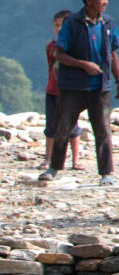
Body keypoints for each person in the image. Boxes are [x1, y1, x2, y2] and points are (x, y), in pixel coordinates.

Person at [39, 0, 118, 185]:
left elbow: (112, 53)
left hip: (100, 87)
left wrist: (118, 79)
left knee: (103, 130)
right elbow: (59, 54)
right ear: (89, 1)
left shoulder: (108, 22)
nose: (106, 1)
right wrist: (83, 65)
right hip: (72, 86)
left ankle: (106, 173)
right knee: (63, 128)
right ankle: (54, 168)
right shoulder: (72, 23)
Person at [43, 10, 83, 171]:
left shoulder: (75, 47)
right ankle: (48, 159)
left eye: (63, 25)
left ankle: (75, 160)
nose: (59, 28)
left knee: (72, 128)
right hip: (52, 90)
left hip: (70, 91)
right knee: (51, 127)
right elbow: (50, 68)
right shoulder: (51, 46)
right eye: (56, 25)